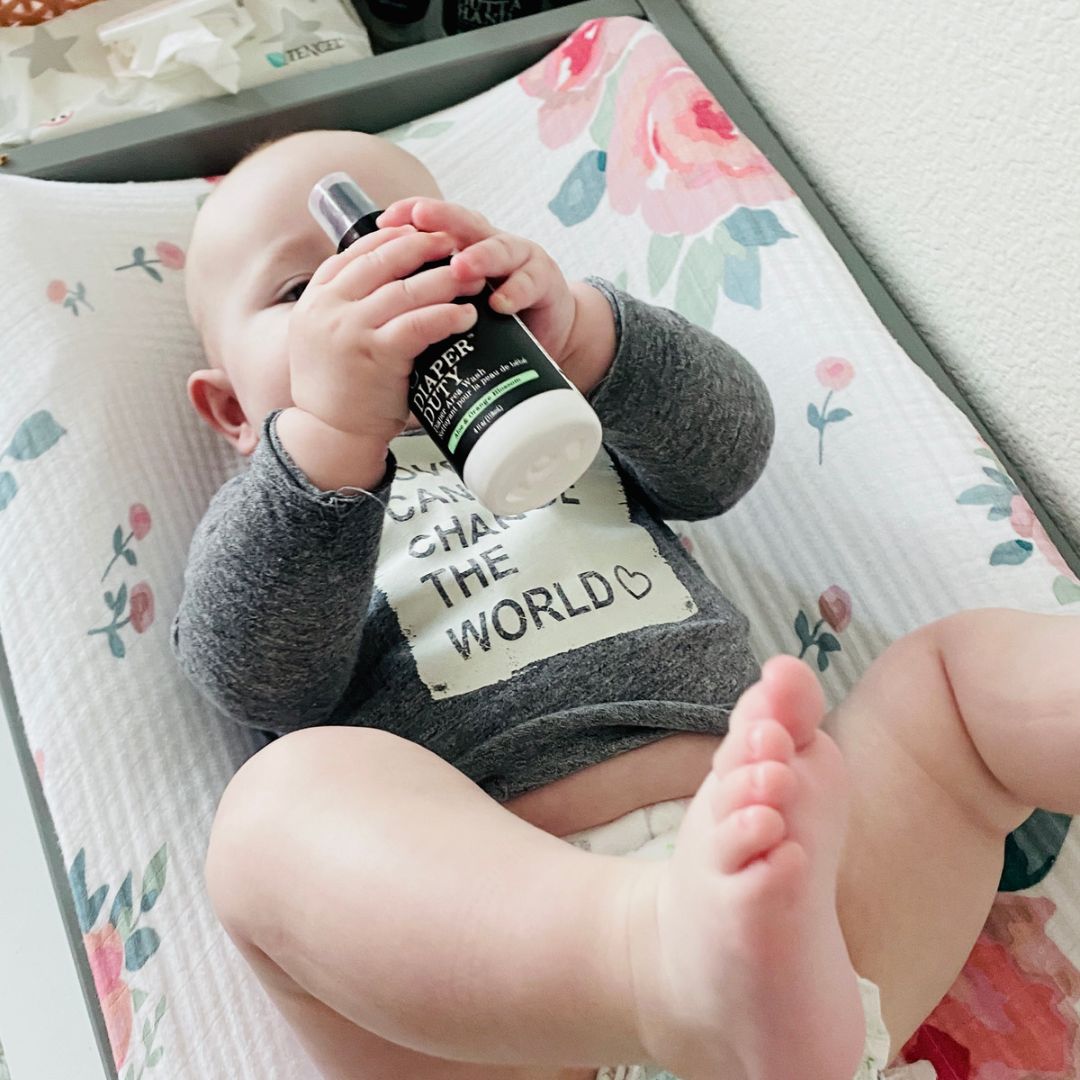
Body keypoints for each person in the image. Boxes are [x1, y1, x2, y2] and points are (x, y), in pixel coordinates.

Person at [175, 128, 1074, 1080]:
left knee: (953, 685)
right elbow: (256, 675)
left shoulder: (565, 416)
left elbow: (727, 451)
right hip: (522, 1002)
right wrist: (327, 432)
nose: (378, 295)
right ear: (232, 410)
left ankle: (721, 975)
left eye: (419, 256)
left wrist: (585, 338)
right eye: (297, 292)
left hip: (802, 910)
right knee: (274, 813)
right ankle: (658, 971)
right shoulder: (281, 513)